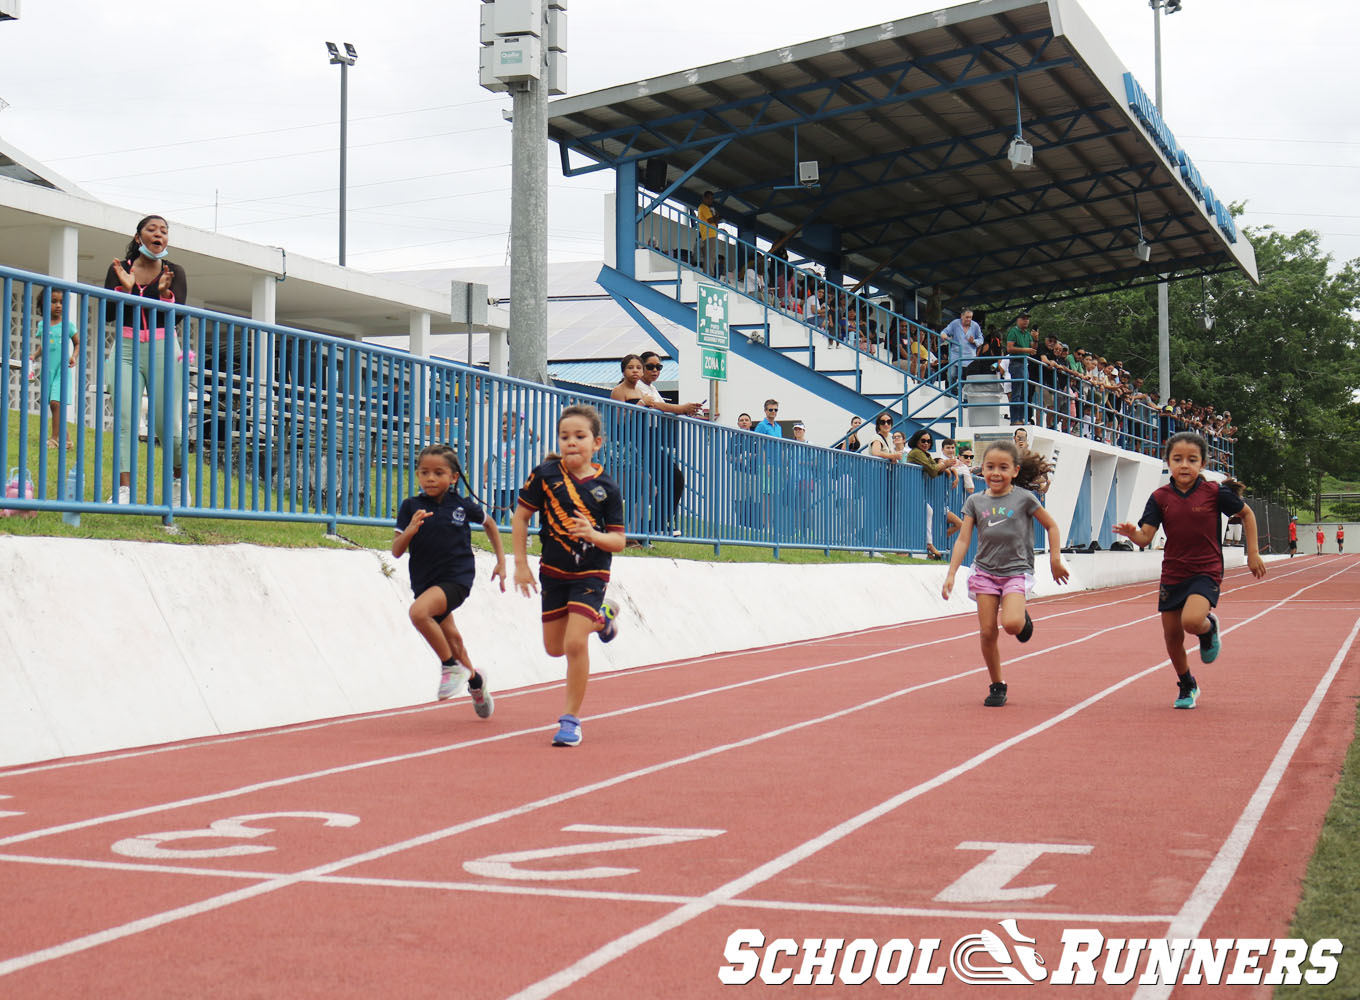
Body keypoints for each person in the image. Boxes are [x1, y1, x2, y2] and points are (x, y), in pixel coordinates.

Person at [1113, 431, 1266, 710]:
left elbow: (1247, 514)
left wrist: (1253, 553)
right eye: (1178, 459)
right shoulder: (1159, 497)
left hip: (1206, 569)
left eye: (1192, 460)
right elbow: (1146, 537)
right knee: (1172, 636)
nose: (1184, 465)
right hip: (1173, 572)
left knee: (1192, 621)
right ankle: (1187, 684)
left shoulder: (1214, 492)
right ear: (1168, 462)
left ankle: (1208, 629)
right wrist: (1132, 533)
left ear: (1203, 463)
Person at [512, 405, 626, 747]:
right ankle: (602, 619)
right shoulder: (545, 475)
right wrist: (521, 564)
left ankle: (570, 720)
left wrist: (593, 534)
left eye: (579, 436)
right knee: (554, 648)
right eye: (565, 437)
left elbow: (618, 541)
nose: (571, 442)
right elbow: (521, 517)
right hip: (553, 572)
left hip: (591, 573)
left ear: (597, 443)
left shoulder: (607, 488)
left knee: (575, 643)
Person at [942, 440, 1069, 707]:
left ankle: (1022, 618)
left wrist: (1055, 559)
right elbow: (963, 540)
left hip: (1016, 571)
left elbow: (1052, 526)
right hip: (985, 572)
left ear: (1015, 470)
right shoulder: (975, 501)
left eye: (1003, 467)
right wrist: (951, 573)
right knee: (987, 632)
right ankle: (997, 684)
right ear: (982, 470)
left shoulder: (1024, 498)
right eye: (990, 467)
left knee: (1011, 624)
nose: (996, 473)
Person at [392, 444, 507, 714]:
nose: (430, 478)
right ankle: (475, 683)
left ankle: (450, 667)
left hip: (457, 578)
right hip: (425, 583)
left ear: (453, 477)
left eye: (438, 473)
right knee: (453, 640)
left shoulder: (461, 505)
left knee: (418, 613)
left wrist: (501, 561)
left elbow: (490, 524)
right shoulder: (411, 507)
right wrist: (410, 530)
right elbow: (396, 551)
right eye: (424, 472)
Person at [103, 214, 189, 505]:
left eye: (164, 231)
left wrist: (162, 293)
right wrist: (126, 291)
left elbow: (177, 316)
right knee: (124, 419)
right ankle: (124, 490)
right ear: (138, 237)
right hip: (126, 348)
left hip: (164, 347)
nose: (159, 234)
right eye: (152, 229)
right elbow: (109, 314)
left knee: (168, 424)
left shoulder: (174, 271)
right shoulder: (120, 268)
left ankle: (178, 483)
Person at [30, 287, 79, 450]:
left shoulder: (67, 325)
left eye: (61, 302)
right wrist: (34, 355)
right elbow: (44, 345)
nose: (58, 305)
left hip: (62, 369)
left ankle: (54, 438)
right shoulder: (42, 325)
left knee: (56, 403)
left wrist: (74, 356)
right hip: (48, 370)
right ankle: (67, 440)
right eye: (53, 301)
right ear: (44, 303)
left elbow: (78, 343)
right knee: (53, 405)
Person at [1005, 313, 1037, 425]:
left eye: (1027, 319)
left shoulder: (1027, 334)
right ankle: (1015, 419)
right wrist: (1026, 350)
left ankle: (1021, 418)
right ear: (1018, 320)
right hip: (1016, 363)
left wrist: (1036, 339)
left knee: (1024, 394)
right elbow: (1009, 348)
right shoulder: (1013, 332)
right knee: (1017, 393)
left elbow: (1033, 349)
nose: (1026, 321)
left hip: (1024, 364)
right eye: (1023, 319)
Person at [940, 308, 983, 378]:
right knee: (951, 375)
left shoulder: (975, 325)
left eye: (970, 317)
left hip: (970, 357)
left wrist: (974, 341)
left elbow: (981, 339)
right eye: (967, 317)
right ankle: (953, 385)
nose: (969, 319)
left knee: (967, 377)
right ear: (961, 316)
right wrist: (943, 334)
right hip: (956, 356)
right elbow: (945, 332)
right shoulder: (955, 323)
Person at [697, 191, 721, 274]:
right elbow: (711, 220)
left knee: (711, 255)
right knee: (710, 256)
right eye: (708, 198)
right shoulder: (703, 207)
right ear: (704, 198)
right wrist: (716, 216)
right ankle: (709, 273)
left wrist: (716, 216)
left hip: (711, 234)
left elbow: (715, 222)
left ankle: (709, 273)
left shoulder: (708, 209)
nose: (710, 201)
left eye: (711, 199)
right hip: (709, 234)